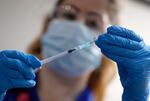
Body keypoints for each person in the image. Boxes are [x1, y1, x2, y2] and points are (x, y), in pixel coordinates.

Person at [0, 0, 127, 101]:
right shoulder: (7, 87)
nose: (78, 27)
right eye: (69, 15)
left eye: (93, 23)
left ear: (107, 45)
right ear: (48, 24)